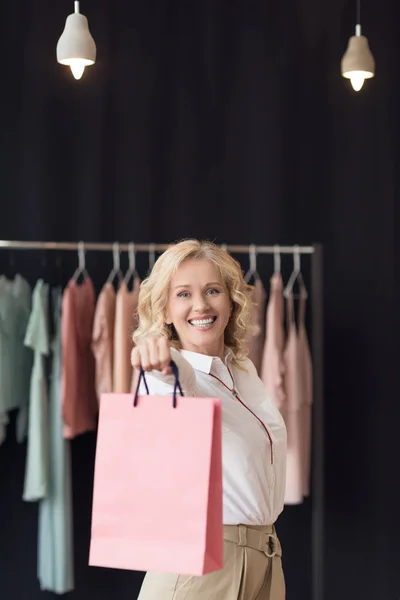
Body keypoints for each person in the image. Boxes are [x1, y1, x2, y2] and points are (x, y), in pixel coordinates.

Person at [131, 239, 287, 600]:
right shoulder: (174, 372)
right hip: (202, 567)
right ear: (165, 311)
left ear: (232, 301)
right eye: (183, 294)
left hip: (266, 557)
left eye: (212, 290)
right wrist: (160, 363)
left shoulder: (244, 371)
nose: (200, 304)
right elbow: (176, 382)